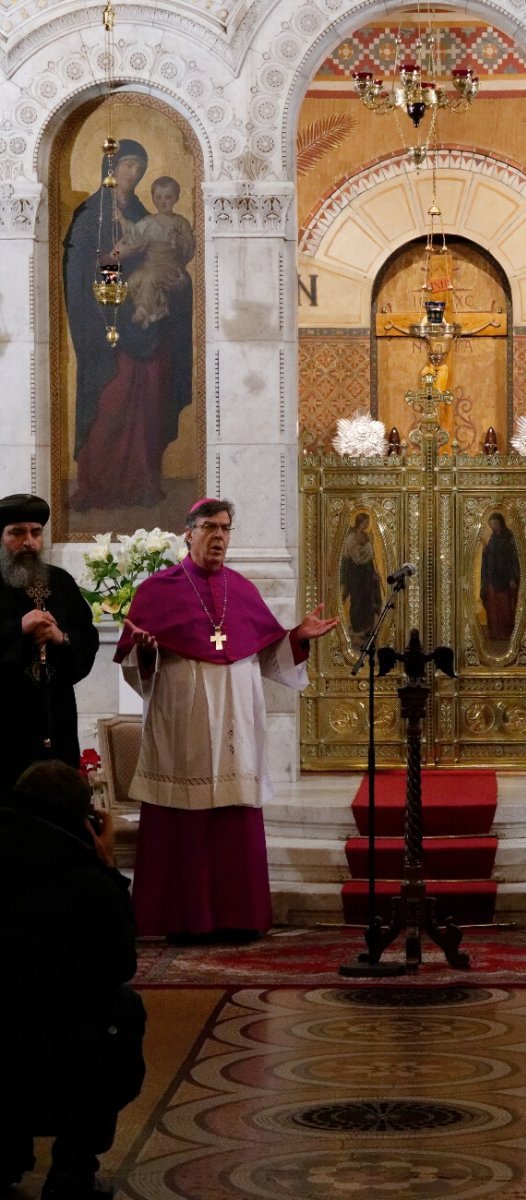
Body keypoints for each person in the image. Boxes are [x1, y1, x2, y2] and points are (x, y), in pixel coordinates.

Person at [114, 498, 338, 942]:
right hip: (182, 722)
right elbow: (134, 661)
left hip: (237, 717)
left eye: (226, 528)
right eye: (210, 527)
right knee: (185, 816)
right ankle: (184, 919)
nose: (219, 536)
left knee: (233, 814)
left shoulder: (244, 590)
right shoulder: (156, 590)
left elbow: (270, 655)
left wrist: (296, 638)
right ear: (188, 533)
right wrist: (145, 650)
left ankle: (239, 916)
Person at [0, 760, 146, 1200]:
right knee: (123, 1010)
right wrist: (105, 866)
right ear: (83, 819)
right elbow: (118, 965)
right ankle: (72, 1168)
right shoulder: (87, 883)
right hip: (64, 1051)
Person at [63, 139, 193, 511]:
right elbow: (81, 267)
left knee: (149, 401)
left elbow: (166, 256)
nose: (132, 174)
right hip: (105, 320)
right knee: (110, 402)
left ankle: (141, 481)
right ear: (112, 168)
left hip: (147, 324)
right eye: (127, 165)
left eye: (138, 167)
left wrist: (176, 281)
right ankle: (99, 485)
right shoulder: (91, 213)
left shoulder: (142, 213)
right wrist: (112, 279)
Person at [0, 493, 99, 794]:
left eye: (35, 532)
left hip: (56, 717)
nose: (28, 541)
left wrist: (62, 638)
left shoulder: (61, 582)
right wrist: (19, 627)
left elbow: (87, 637)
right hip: (5, 722)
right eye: (17, 533)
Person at [119, 175, 195, 330]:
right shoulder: (148, 222)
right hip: (149, 263)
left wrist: (178, 239)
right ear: (153, 198)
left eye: (168, 197)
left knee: (150, 279)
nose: (163, 201)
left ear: (176, 199)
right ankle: (156, 309)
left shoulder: (181, 222)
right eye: (158, 197)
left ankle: (143, 311)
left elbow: (190, 247)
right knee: (133, 281)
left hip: (169, 264)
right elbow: (134, 234)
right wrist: (121, 220)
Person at [339, 512, 383, 648]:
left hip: (367, 572)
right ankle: (357, 630)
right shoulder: (351, 538)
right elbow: (357, 556)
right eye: (366, 522)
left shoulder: (366, 535)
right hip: (356, 573)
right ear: (360, 522)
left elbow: (371, 555)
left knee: (368, 599)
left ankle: (367, 628)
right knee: (357, 599)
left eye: (368, 522)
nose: (368, 524)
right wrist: (368, 548)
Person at [480, 512, 520, 642]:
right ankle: (495, 634)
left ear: (501, 523)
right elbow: (490, 557)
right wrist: (485, 552)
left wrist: (513, 577)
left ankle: (506, 633)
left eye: (495, 524)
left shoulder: (509, 537)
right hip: (492, 578)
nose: (493, 527)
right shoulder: (492, 538)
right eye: (491, 525)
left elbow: (514, 559)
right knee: (493, 607)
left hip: (505, 579)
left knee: (504, 608)